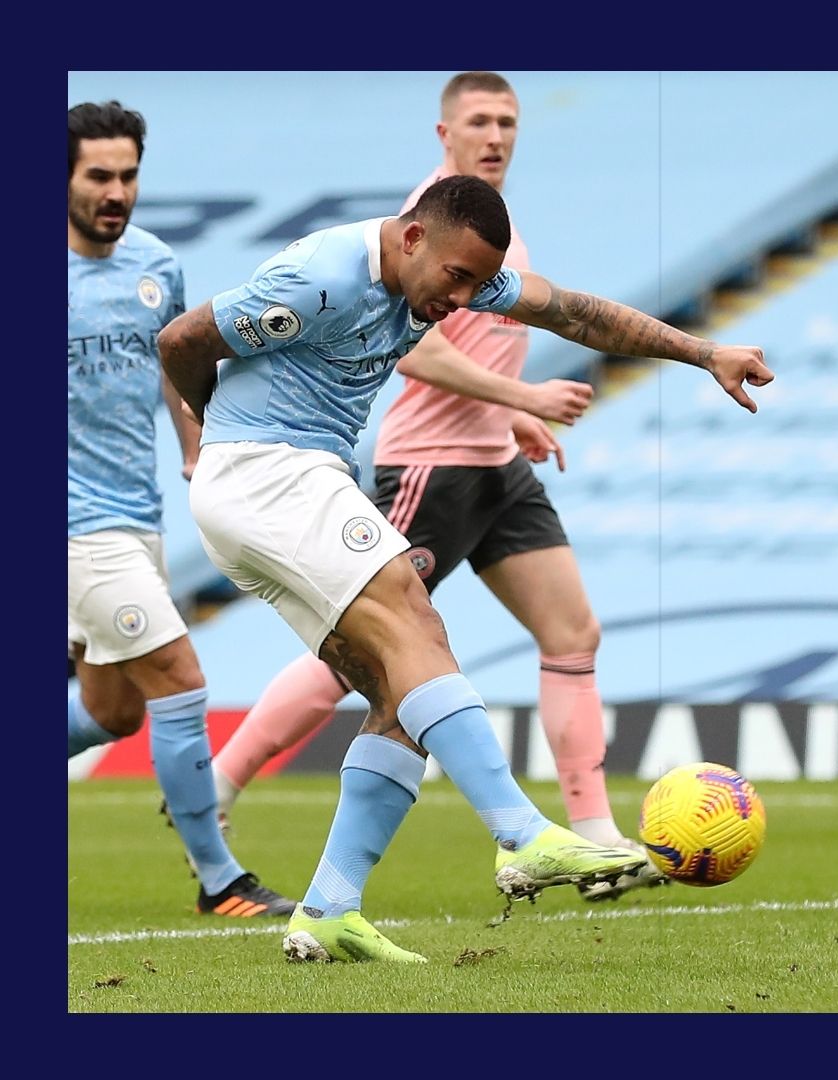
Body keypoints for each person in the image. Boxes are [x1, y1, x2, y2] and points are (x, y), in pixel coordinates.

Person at [158, 173, 774, 961]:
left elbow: (576, 313)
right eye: (457, 278)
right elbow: (180, 340)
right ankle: (521, 832)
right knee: (414, 615)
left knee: (395, 693)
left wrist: (703, 352)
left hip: (280, 483)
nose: (464, 300)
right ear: (412, 238)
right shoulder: (320, 279)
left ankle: (328, 910)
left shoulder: (448, 276)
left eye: (480, 284)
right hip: (271, 470)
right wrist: (223, 436)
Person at [201, 71, 662, 901]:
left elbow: (556, 320)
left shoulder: (490, 233)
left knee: (570, 633)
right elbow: (414, 350)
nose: (496, 135)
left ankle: (590, 835)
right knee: (391, 651)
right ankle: (223, 782)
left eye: (508, 122)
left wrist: (515, 419)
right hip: (431, 463)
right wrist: (522, 397)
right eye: (480, 121)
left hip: (496, 460)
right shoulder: (420, 226)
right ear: (444, 133)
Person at [67, 100, 296, 919]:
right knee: (178, 676)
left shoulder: (157, 265)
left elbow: (176, 364)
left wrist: (196, 445)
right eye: (99, 175)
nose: (116, 190)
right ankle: (219, 879)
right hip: (72, 526)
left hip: (137, 514)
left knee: (111, 709)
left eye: (127, 175)